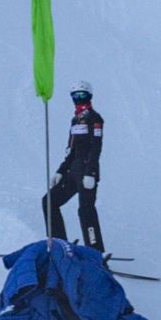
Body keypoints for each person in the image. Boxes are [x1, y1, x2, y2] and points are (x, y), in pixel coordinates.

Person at [41, 80, 105, 252]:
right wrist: (61, 171)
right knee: (49, 201)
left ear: (90, 96)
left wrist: (90, 172)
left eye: (82, 95)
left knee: (85, 210)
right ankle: (60, 244)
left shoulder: (94, 118)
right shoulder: (75, 120)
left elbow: (96, 146)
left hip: (86, 171)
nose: (79, 99)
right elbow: (72, 150)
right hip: (73, 171)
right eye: (75, 96)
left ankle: (95, 252)